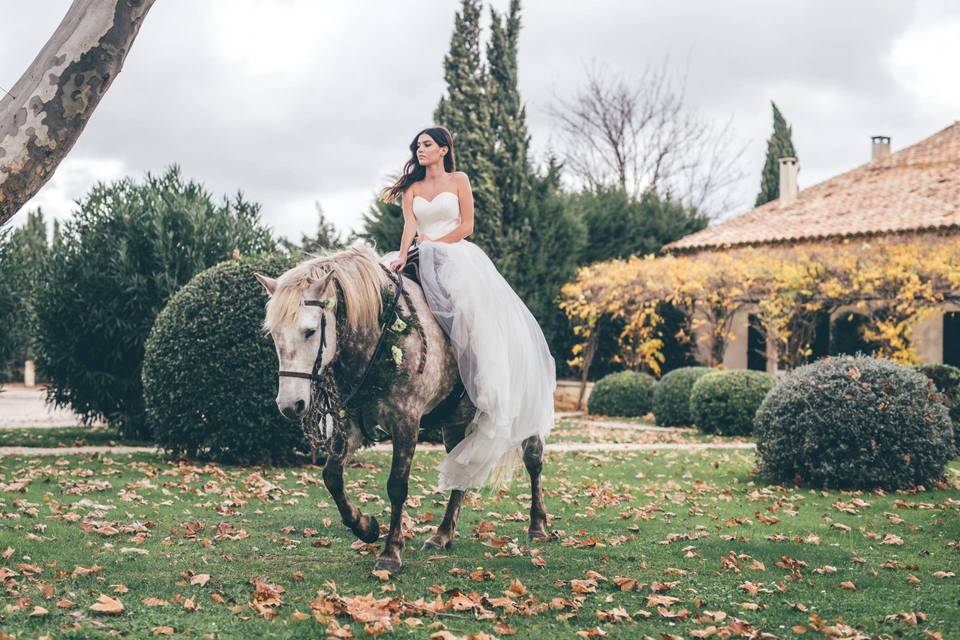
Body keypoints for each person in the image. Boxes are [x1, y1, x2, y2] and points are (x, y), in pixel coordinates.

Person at [379, 126, 556, 492]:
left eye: (427, 144)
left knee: (471, 314)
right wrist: (402, 255)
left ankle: (481, 381)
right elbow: (411, 226)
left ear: (443, 149)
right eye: (417, 145)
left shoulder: (459, 179)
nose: (420, 149)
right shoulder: (412, 189)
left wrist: (434, 243)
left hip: (455, 256)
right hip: (420, 253)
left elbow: (467, 226)